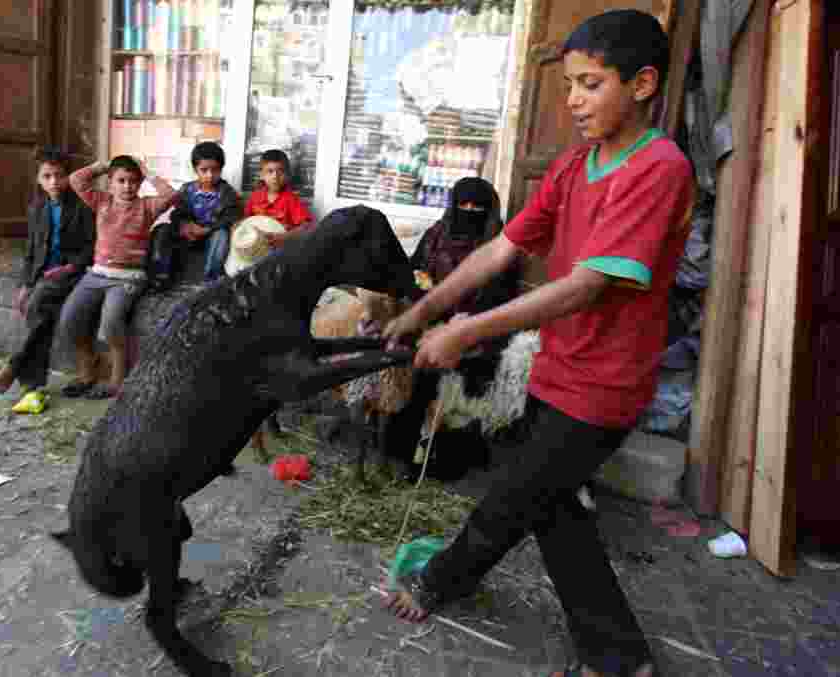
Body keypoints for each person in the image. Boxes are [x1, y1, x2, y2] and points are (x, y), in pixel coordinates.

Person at [381, 10, 694, 677]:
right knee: (548, 501)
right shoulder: (574, 164)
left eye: (590, 84)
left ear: (642, 83)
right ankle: (621, 658)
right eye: (570, 85)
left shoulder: (658, 170)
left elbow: (584, 287)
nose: (574, 100)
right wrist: (429, 305)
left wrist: (464, 330)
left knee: (512, 499)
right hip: (559, 369)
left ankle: (440, 580)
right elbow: (502, 246)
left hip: (604, 385)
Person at [378, 176, 520, 480]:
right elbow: (414, 270)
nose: (469, 211)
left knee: (449, 380)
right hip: (428, 320)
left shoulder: (497, 244)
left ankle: (442, 458)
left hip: (474, 329)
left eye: (477, 207)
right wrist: (421, 290)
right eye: (463, 205)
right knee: (410, 369)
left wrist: (462, 323)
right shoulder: (435, 234)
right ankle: (401, 451)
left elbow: (500, 296)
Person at [56, 155, 178, 399]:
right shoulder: (102, 202)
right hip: (97, 274)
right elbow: (75, 179)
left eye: (133, 181)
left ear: (140, 183)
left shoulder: (147, 206)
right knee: (70, 317)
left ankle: (116, 380)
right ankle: (87, 370)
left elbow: (171, 195)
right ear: (110, 182)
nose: (127, 186)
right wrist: (102, 166)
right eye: (120, 180)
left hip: (128, 279)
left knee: (111, 324)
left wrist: (148, 172)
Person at [0, 147, 96, 400]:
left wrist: (70, 267)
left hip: (71, 273)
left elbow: (92, 245)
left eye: (59, 175)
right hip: (45, 275)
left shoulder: (82, 206)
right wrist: (25, 284)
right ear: (38, 178)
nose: (54, 182)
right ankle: (31, 383)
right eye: (47, 176)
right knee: (38, 314)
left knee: (38, 304)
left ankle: (14, 368)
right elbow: (31, 251)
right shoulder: (38, 207)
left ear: (68, 176)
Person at [165, 141, 242, 284]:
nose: (210, 175)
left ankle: (210, 279)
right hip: (189, 234)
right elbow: (177, 213)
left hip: (212, 236)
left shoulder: (227, 193)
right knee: (162, 230)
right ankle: (161, 275)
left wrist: (207, 229)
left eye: (215, 170)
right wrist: (185, 225)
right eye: (204, 170)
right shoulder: (187, 190)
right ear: (195, 169)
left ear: (221, 169)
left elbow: (231, 217)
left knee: (222, 234)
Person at [243, 149, 313, 251]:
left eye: (280, 171)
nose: (275, 176)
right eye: (270, 171)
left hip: (280, 250)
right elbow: (245, 222)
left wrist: (285, 237)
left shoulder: (291, 199)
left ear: (287, 174)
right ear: (262, 175)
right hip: (255, 248)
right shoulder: (255, 197)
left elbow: (307, 227)